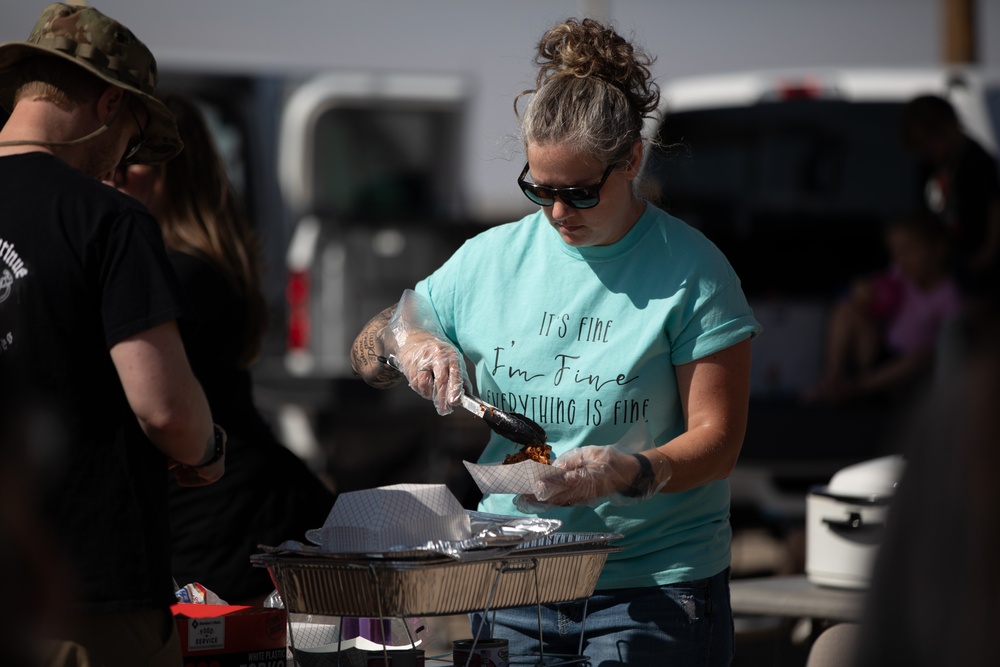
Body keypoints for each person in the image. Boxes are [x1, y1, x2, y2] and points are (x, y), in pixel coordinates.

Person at [351, 17, 761, 666]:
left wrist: (630, 470)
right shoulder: (490, 258)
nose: (557, 213)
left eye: (578, 192)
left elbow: (719, 441)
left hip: (650, 588)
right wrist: (414, 344)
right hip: (512, 584)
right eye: (539, 190)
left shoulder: (693, 271)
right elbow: (373, 340)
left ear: (631, 160)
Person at [0, 5, 225, 666]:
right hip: (84, 596)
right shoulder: (109, 219)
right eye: (130, 138)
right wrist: (207, 447)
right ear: (107, 105)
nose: (121, 164)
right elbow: (165, 408)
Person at [113, 93, 336, 606]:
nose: (115, 173)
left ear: (177, 170)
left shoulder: (178, 273)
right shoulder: (198, 265)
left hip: (219, 518)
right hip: (231, 507)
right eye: (113, 154)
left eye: (135, 157)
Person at [807, 213, 961, 406]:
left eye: (907, 251)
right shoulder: (900, 275)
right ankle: (833, 380)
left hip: (911, 371)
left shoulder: (949, 296)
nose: (900, 261)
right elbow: (872, 290)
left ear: (938, 248)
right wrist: (862, 291)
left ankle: (857, 388)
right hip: (881, 354)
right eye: (895, 253)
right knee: (847, 309)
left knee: (927, 354)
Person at [901, 93, 1000, 297]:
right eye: (921, 146)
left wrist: (988, 252)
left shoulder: (978, 161)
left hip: (977, 254)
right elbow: (925, 209)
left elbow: (994, 207)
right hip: (946, 255)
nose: (928, 151)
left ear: (950, 128)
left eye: (930, 142)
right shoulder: (929, 166)